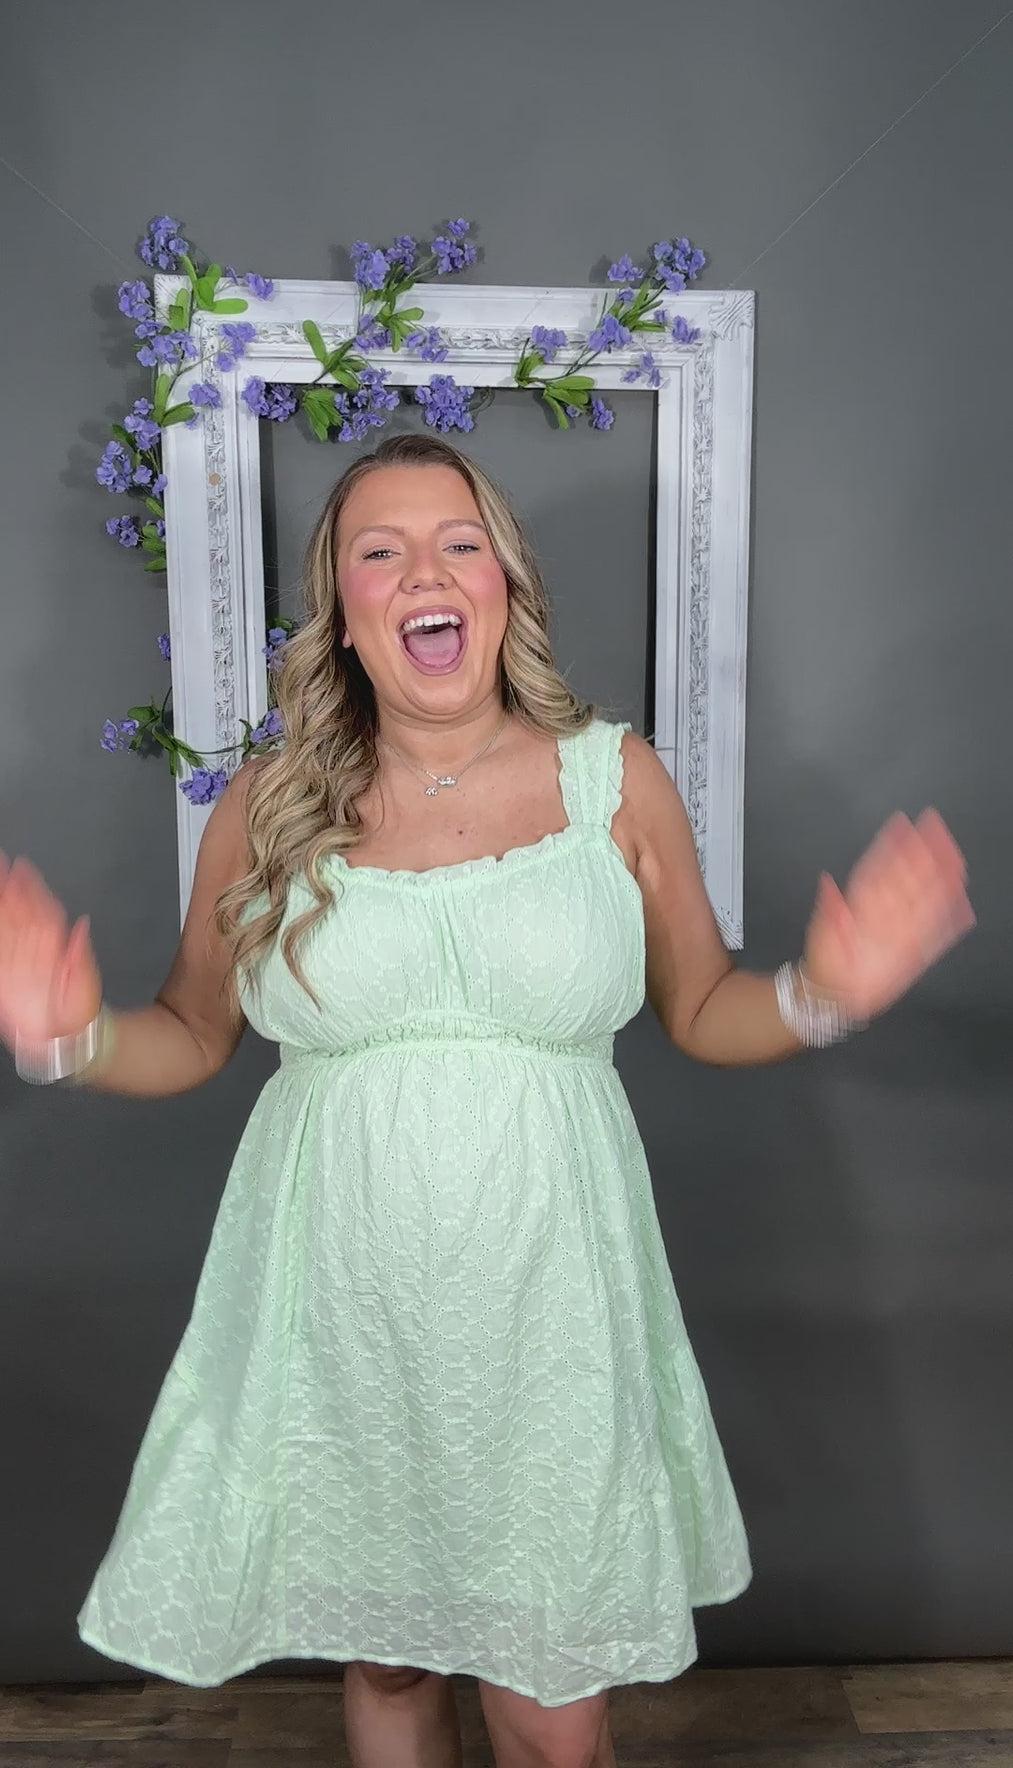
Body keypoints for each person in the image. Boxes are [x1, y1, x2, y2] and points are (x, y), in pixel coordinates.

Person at [0, 433, 974, 1768]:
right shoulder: (268, 805)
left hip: (549, 1301)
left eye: (459, 543)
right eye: (380, 551)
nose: (424, 571)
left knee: (548, 1708)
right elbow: (188, 1033)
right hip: (342, 1301)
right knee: (389, 1658)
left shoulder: (612, 779)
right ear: (342, 612)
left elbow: (703, 1008)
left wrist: (826, 993)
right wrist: (69, 1036)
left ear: (505, 586)